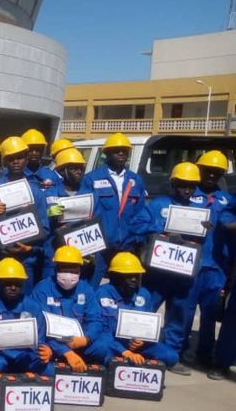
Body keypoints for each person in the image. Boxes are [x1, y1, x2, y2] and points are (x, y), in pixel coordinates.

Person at [143, 163, 215, 375]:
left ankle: (170, 356)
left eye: (191, 187)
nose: (186, 190)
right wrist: (163, 231)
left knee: (178, 316)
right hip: (157, 273)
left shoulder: (200, 211)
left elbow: (202, 242)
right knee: (146, 312)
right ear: (173, 184)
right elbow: (140, 225)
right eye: (182, 185)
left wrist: (205, 230)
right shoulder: (158, 205)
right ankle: (136, 349)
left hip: (183, 274)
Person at [0, 136, 50, 295]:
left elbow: (45, 228)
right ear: (4, 161)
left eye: (20, 157)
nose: (16, 162)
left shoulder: (35, 191)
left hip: (24, 262)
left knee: (22, 312)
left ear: (27, 159)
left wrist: (29, 248)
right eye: (11, 158)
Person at [79, 132, 150, 286]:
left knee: (123, 288)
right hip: (99, 246)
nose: (121, 153)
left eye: (124, 151)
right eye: (116, 150)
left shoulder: (136, 180)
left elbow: (141, 213)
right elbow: (83, 212)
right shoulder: (92, 178)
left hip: (127, 244)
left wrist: (137, 240)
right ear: (106, 153)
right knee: (90, 286)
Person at [86, 252, 178, 367]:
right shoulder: (101, 293)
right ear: (115, 276)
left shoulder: (144, 294)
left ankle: (135, 361)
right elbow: (99, 330)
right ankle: (117, 362)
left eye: (137, 276)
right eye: (129, 276)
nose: (134, 280)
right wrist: (123, 351)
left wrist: (142, 340)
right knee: (100, 349)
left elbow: (148, 326)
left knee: (171, 356)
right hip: (111, 342)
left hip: (137, 345)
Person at [0, 258, 51, 376]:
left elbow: (40, 340)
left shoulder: (33, 307)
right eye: (8, 283)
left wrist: (46, 350)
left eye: (17, 283)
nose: (13, 287)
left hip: (25, 355)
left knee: (48, 370)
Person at [192, 151, 234, 374]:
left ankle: (204, 356)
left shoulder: (228, 201)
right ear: (199, 169)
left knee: (208, 316)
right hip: (188, 264)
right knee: (184, 312)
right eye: (207, 171)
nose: (211, 175)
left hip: (216, 266)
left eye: (216, 173)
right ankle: (178, 353)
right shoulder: (187, 194)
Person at [30, 245, 102, 372]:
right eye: (64, 268)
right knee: (37, 352)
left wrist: (86, 339)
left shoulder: (86, 289)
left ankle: (85, 364)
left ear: (80, 269)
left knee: (103, 346)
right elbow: (39, 327)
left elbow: (95, 319)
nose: (68, 274)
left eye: (73, 269)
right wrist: (66, 352)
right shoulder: (42, 289)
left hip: (79, 340)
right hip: (52, 342)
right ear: (56, 268)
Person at [45, 147, 97, 282]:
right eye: (74, 168)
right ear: (63, 170)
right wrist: (48, 214)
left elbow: (98, 221)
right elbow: (40, 221)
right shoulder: (50, 193)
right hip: (55, 249)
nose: (79, 172)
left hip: (82, 250)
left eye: (81, 168)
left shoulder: (90, 194)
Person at [21, 128, 61, 195]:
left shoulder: (51, 175)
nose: (34, 153)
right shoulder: (14, 175)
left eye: (37, 149)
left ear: (42, 151)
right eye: (30, 150)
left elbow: (61, 199)